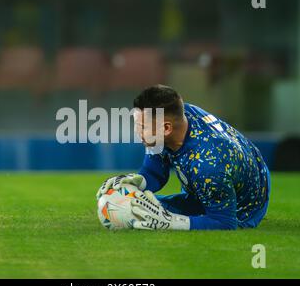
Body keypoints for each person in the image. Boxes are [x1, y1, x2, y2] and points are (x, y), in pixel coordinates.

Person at [97, 85, 270, 230]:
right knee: (134, 202)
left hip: (246, 203)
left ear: (166, 129)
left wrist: (170, 222)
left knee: (142, 210)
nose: (137, 132)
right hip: (231, 166)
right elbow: (155, 172)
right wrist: (137, 181)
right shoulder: (175, 116)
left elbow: (225, 222)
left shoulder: (208, 164)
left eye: (142, 127)